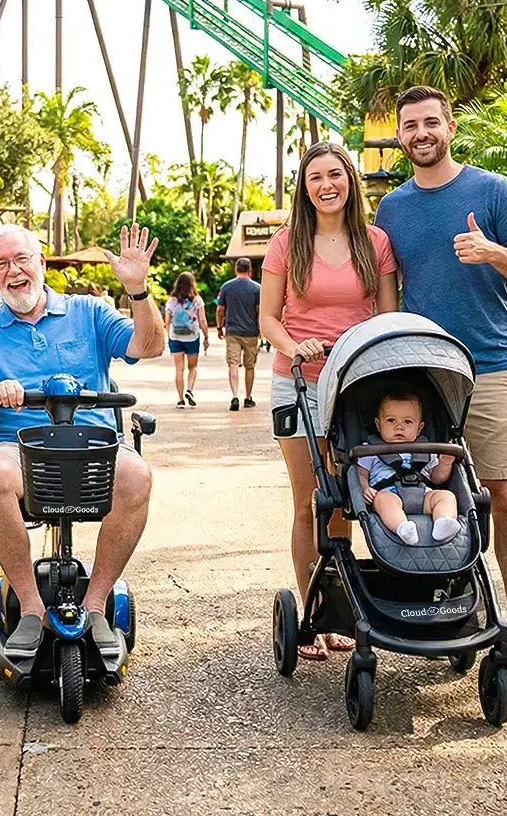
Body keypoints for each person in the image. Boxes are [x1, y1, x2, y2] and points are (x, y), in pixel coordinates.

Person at [374, 84, 507, 672]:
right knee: (419, 488)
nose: (420, 133)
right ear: (400, 136)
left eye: (431, 122)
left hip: (490, 365)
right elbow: (385, 291)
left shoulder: (492, 190)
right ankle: (447, 602)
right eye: (410, 126)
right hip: (422, 375)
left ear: (450, 127)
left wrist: (492, 252)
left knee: (506, 493)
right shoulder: (392, 208)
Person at [0, 222, 165, 658]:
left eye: (21, 259)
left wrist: (138, 290)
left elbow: (149, 346)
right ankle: (31, 607)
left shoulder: (88, 311)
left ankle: (96, 604)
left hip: (93, 444)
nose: (14, 271)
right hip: (18, 448)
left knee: (136, 474)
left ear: (40, 261)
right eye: (1, 264)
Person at [259, 142, 398, 660]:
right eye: (314, 177)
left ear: (349, 180)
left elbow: (387, 317)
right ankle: (312, 611)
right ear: (304, 187)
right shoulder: (286, 242)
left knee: (344, 500)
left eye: (334, 174)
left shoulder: (375, 242)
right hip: (298, 380)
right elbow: (268, 318)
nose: (326, 185)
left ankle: (340, 610)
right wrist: (294, 345)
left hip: (355, 386)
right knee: (308, 500)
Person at [356, 391, 460, 546]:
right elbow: (360, 473)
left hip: (423, 495)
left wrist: (444, 464)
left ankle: (443, 522)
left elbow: (437, 478)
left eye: (408, 422)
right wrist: (364, 488)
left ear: (419, 428)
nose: (399, 427)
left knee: (446, 496)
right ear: (378, 424)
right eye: (391, 420)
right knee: (383, 501)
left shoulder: (426, 449)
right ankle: (402, 527)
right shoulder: (370, 449)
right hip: (389, 493)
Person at [216, 257, 261, 411]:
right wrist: (261, 329)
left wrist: (219, 327)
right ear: (250, 270)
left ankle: (235, 396)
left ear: (236, 269)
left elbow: (220, 310)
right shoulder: (256, 288)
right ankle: (248, 397)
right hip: (251, 332)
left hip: (232, 331)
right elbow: (259, 311)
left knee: (233, 364)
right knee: (250, 366)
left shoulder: (226, 287)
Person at [163, 271, 209, 408]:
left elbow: (167, 321)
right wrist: (206, 336)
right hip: (192, 337)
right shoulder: (197, 300)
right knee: (192, 367)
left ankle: (180, 399)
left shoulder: (172, 301)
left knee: (179, 369)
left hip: (176, 337)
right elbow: (202, 320)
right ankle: (189, 390)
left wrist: (169, 335)